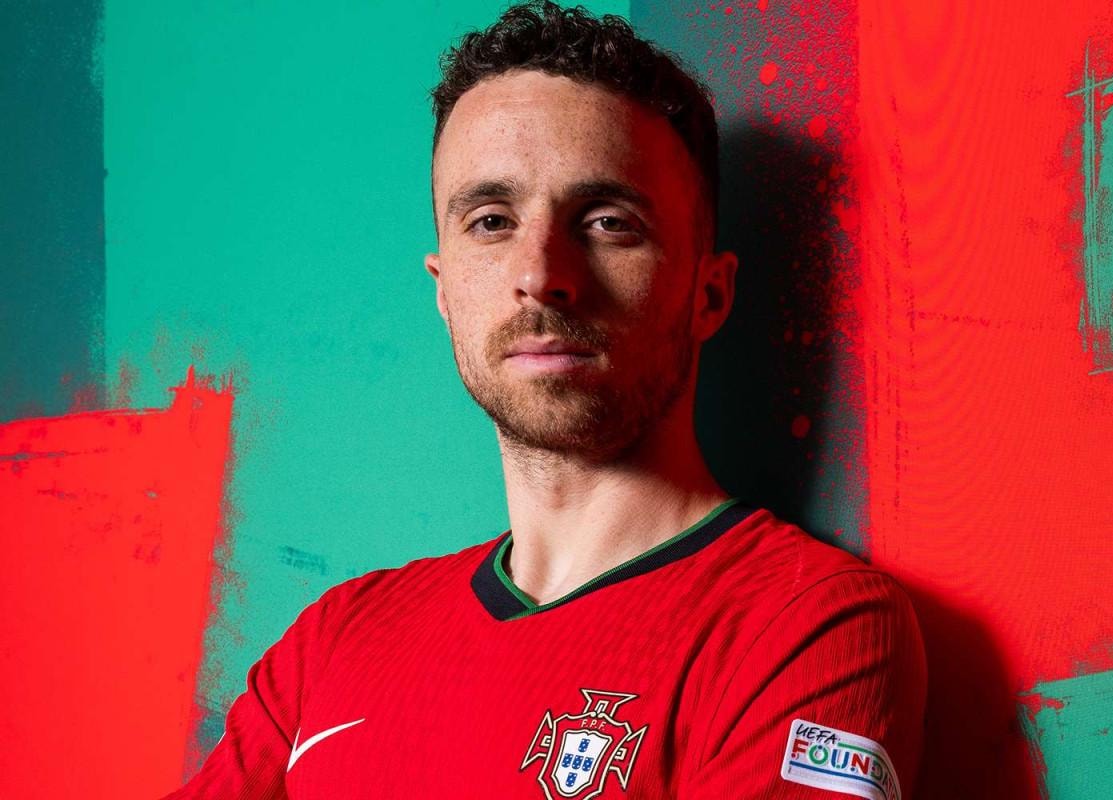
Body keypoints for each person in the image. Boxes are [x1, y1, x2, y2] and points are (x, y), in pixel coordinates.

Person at [163, 2, 926, 798]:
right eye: (491, 221)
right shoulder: (332, 643)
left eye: (607, 222)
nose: (541, 274)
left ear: (709, 292)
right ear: (444, 290)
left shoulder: (807, 625)